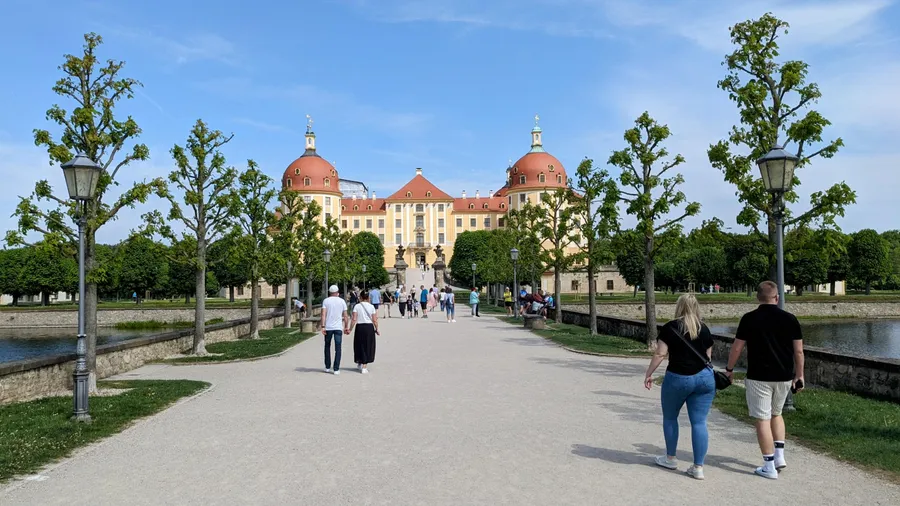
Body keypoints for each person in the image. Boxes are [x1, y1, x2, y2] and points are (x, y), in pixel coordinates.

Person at [725, 281, 804, 480]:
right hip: (784, 376)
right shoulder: (790, 319)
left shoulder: (749, 319)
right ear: (777, 297)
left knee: (762, 418)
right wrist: (799, 375)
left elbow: (736, 348)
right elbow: (799, 351)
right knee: (777, 414)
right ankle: (779, 456)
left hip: (759, 376)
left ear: (758, 298)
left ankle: (768, 466)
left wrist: (729, 369)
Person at [643, 294, 716, 480]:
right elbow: (708, 357)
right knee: (699, 422)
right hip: (704, 379)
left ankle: (670, 458)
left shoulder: (670, 327)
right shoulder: (704, 328)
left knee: (670, 417)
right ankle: (698, 467)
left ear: (679, 307)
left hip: (678, 377)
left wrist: (649, 373)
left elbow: (660, 354)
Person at [348, 290, 379, 374]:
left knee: (359, 344)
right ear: (368, 297)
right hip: (369, 327)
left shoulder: (357, 306)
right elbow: (374, 320)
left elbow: (354, 319)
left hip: (360, 327)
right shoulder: (371, 307)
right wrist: (377, 329)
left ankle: (359, 361)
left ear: (360, 297)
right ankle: (364, 366)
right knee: (368, 345)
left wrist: (350, 329)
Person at [320, 285, 349, 376]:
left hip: (328, 327)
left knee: (327, 346)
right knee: (338, 348)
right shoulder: (342, 301)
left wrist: (323, 326)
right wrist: (346, 327)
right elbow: (345, 316)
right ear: (337, 292)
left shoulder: (326, 301)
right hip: (338, 327)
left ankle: (327, 367)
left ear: (329, 292)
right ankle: (336, 368)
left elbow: (323, 315)